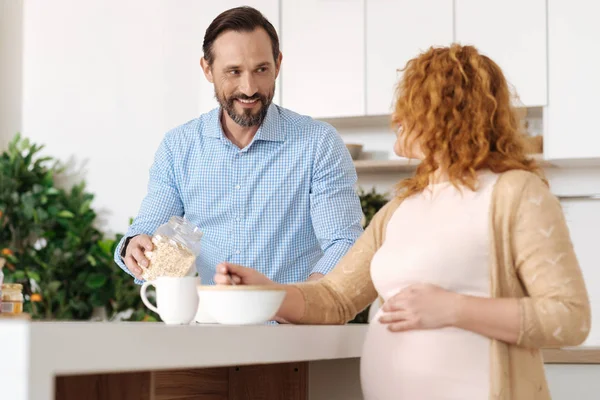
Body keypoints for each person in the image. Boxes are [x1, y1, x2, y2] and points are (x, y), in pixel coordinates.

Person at [214, 44, 591, 399]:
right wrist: (267, 293)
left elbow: (569, 317)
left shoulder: (515, 193)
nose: (397, 117)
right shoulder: (403, 207)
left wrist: (454, 308)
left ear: (452, 111)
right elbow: (336, 298)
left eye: (411, 105)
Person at [114, 6, 363, 286]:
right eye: (233, 71)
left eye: (261, 70)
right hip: (211, 325)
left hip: (295, 326)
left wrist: (302, 301)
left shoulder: (319, 144)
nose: (249, 88)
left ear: (278, 64)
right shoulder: (178, 147)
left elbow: (344, 242)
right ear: (207, 69)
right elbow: (145, 230)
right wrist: (135, 247)